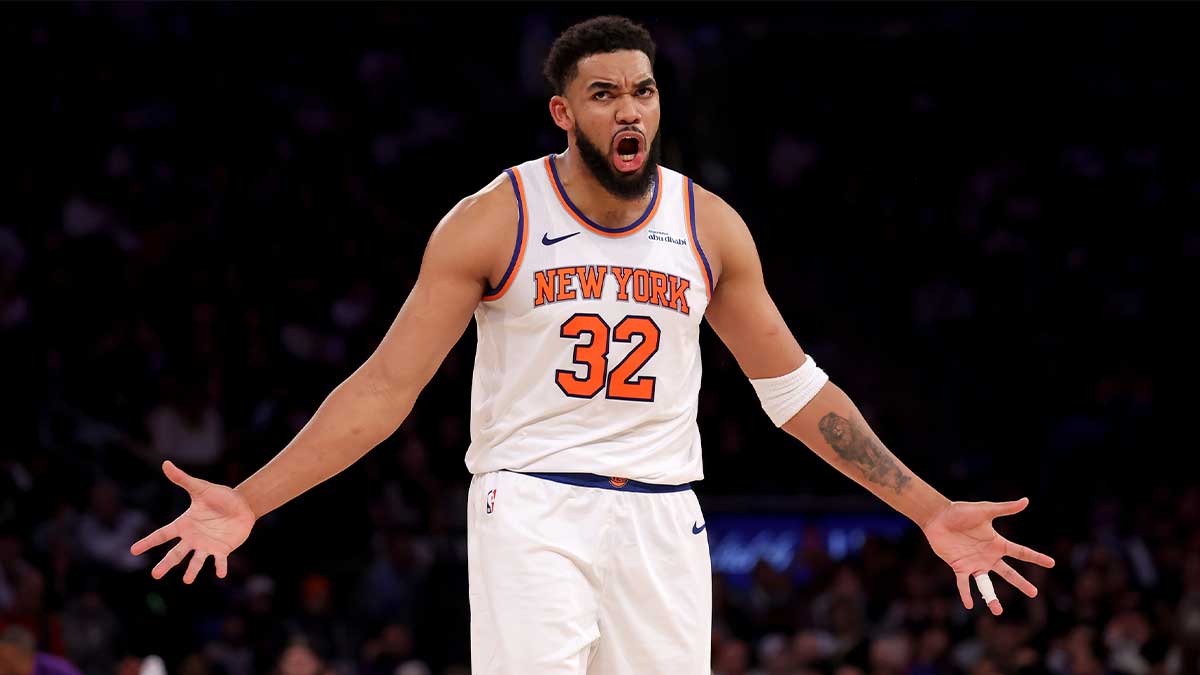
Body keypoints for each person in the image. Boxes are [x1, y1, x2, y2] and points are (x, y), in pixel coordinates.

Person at [130, 15, 1056, 674]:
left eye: (644, 92)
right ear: (563, 113)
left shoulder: (709, 225)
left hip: (664, 516)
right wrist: (250, 500)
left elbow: (797, 391)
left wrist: (930, 509)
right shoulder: (494, 219)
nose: (631, 111)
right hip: (530, 503)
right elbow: (384, 388)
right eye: (605, 93)